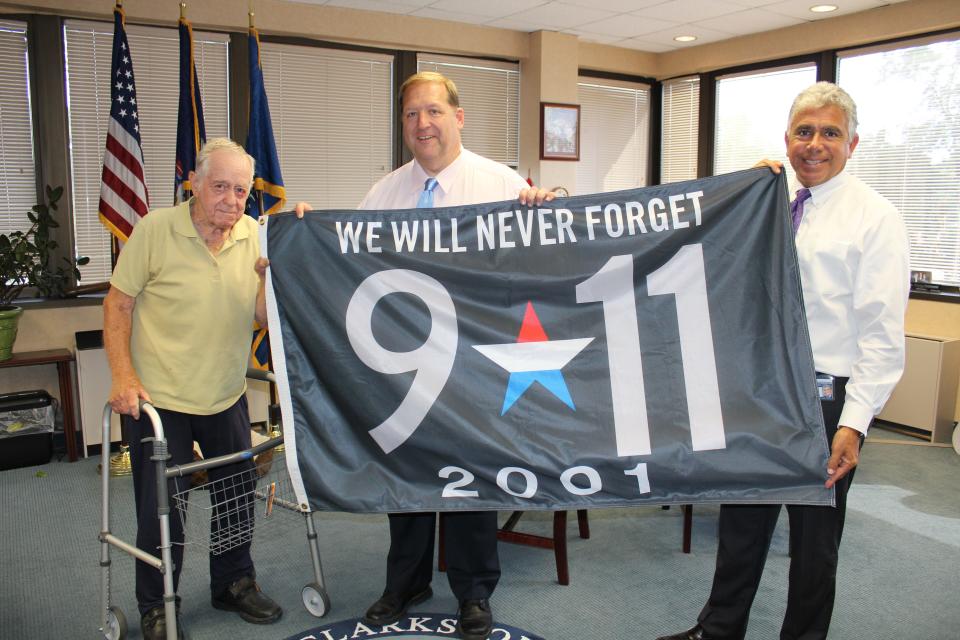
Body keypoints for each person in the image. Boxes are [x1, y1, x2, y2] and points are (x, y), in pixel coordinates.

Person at [657, 82, 909, 640]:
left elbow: (883, 336)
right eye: (804, 132)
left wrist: (855, 423)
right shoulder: (769, 202)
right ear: (787, 139)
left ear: (853, 143)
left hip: (823, 399)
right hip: (761, 389)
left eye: (830, 133)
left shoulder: (875, 218)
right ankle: (720, 629)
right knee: (743, 522)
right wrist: (747, 192)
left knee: (815, 540)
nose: (815, 144)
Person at [358, 71, 552, 640]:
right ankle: (407, 581)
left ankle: (473, 591)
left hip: (474, 359)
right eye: (413, 114)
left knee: (471, 473)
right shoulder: (385, 192)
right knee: (408, 471)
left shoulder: (501, 183)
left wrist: (539, 210)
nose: (423, 124)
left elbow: (540, 261)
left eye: (434, 111)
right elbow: (347, 260)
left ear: (459, 117)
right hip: (406, 358)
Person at [104, 138, 284, 640]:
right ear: (195, 185)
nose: (231, 199)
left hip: (224, 393)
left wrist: (271, 281)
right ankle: (158, 602)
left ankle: (233, 583)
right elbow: (117, 305)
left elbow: (262, 318)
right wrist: (123, 376)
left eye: (241, 191)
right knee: (166, 506)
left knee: (235, 494)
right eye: (220, 187)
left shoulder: (253, 235)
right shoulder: (155, 230)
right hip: (158, 400)